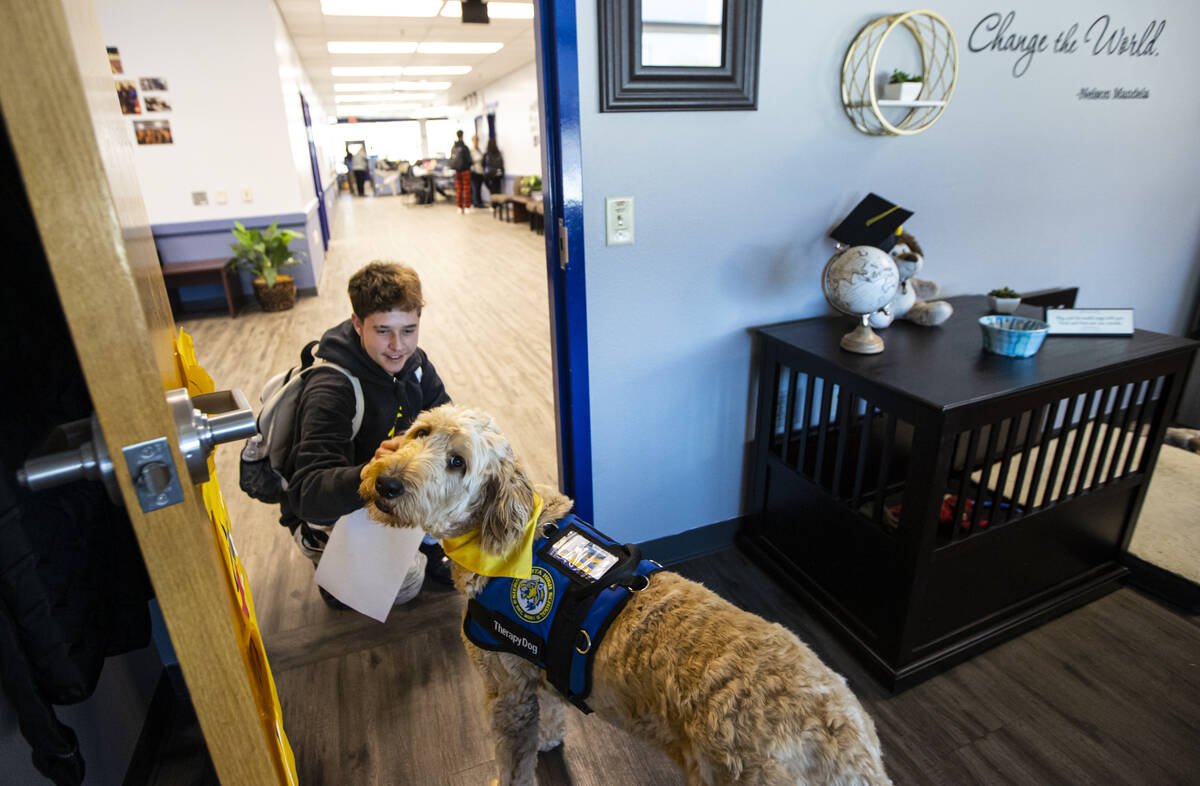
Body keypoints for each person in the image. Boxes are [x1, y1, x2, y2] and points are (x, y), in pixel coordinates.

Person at [280, 261, 453, 608]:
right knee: (406, 585)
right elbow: (308, 494)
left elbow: (447, 425)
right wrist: (373, 472)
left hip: (395, 489)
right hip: (340, 506)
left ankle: (424, 547)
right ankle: (331, 565)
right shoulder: (331, 387)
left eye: (408, 330)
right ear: (357, 322)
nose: (397, 346)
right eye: (382, 330)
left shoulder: (416, 365)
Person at [449, 130, 472, 213]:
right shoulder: (465, 147)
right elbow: (469, 160)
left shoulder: (454, 147)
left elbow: (451, 159)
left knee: (459, 189)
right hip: (465, 170)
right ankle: (467, 207)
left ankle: (459, 207)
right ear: (462, 136)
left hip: (457, 171)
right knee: (466, 189)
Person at [469, 135, 485, 208]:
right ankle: (475, 202)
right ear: (472, 141)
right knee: (475, 188)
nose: (477, 142)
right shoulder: (471, 150)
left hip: (480, 171)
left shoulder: (479, 150)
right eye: (475, 140)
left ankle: (479, 202)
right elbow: (472, 160)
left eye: (478, 140)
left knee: (479, 188)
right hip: (474, 171)